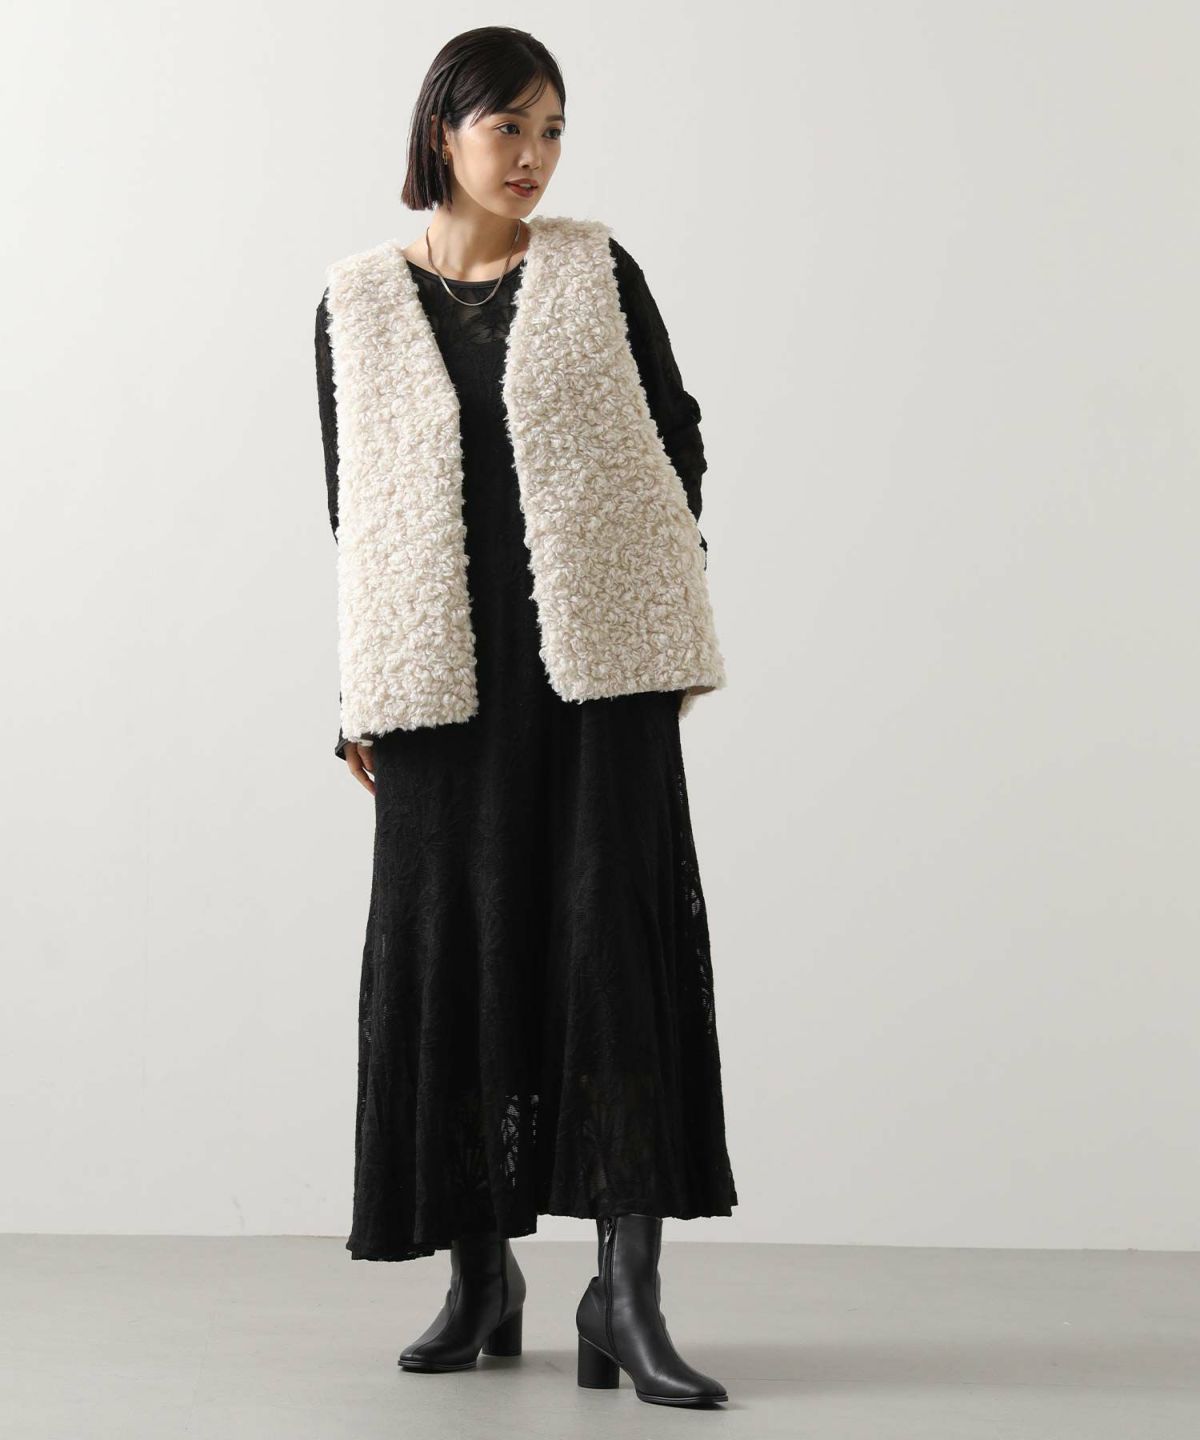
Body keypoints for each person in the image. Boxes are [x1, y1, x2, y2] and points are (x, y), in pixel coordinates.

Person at [315, 25, 736, 1408]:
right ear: (444, 129)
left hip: (595, 675)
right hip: (442, 684)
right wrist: (361, 690)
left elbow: (677, 435)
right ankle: (480, 1276)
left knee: (614, 955)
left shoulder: (597, 271)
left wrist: (638, 574)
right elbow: (356, 510)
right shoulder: (355, 303)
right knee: (460, 953)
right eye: (512, 127)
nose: (537, 157)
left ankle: (627, 1295)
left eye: (554, 130)